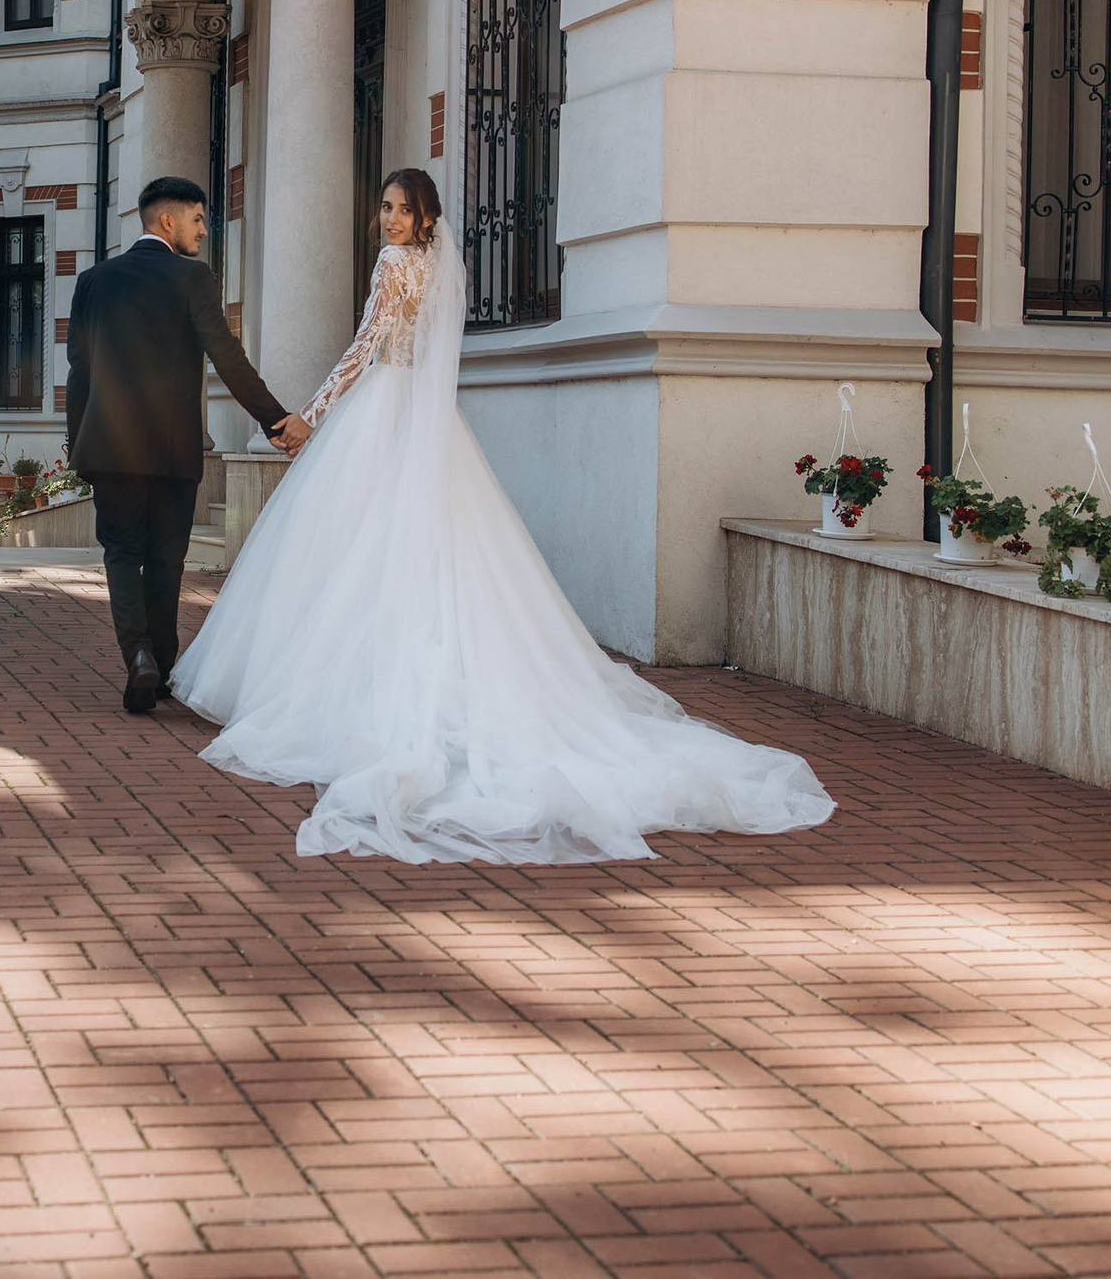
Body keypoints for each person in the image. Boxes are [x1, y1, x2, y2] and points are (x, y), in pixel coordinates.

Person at [171, 168, 837, 864]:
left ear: (424, 218)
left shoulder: (396, 265)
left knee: (357, 548)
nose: (388, 220)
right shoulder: (437, 267)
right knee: (436, 551)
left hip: (382, 411)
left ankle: (345, 688)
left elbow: (366, 348)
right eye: (385, 209)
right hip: (426, 421)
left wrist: (311, 414)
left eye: (401, 209)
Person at [66, 177, 310, 714]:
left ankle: (138, 659)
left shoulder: (94, 281)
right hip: (174, 451)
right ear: (168, 222)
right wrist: (276, 421)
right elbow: (227, 357)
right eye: (198, 219)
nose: (205, 229)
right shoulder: (191, 279)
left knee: (122, 554)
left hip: (108, 448)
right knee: (167, 559)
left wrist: (77, 445)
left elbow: (78, 373)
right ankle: (164, 665)